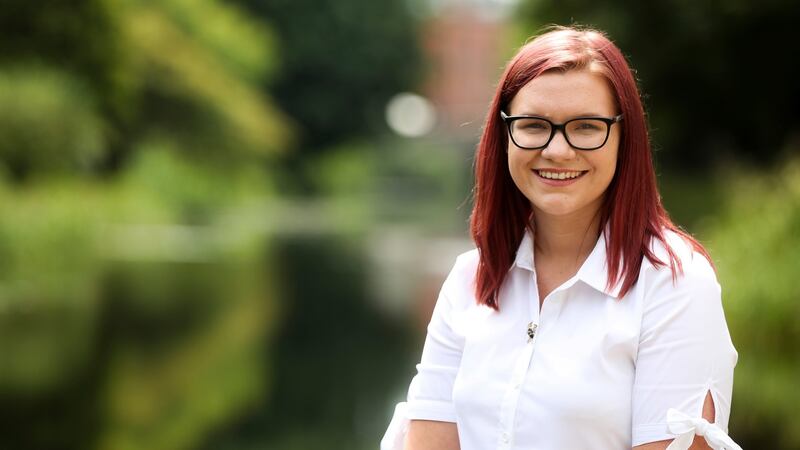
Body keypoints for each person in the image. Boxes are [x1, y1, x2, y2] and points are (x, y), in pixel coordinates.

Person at [381, 26, 741, 450]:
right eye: (534, 125)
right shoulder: (469, 279)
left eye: (586, 127)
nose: (556, 150)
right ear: (504, 135)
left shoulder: (674, 284)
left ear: (625, 138)